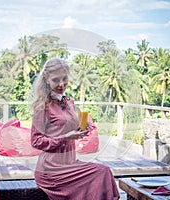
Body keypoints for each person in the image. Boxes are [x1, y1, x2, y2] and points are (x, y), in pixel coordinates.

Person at [30, 57, 120, 200]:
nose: (61, 84)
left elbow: (68, 126)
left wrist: (83, 127)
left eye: (64, 78)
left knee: (103, 172)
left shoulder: (68, 101)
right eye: (56, 80)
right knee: (101, 172)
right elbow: (36, 141)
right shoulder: (42, 105)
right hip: (51, 170)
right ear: (47, 80)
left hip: (70, 163)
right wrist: (65, 138)